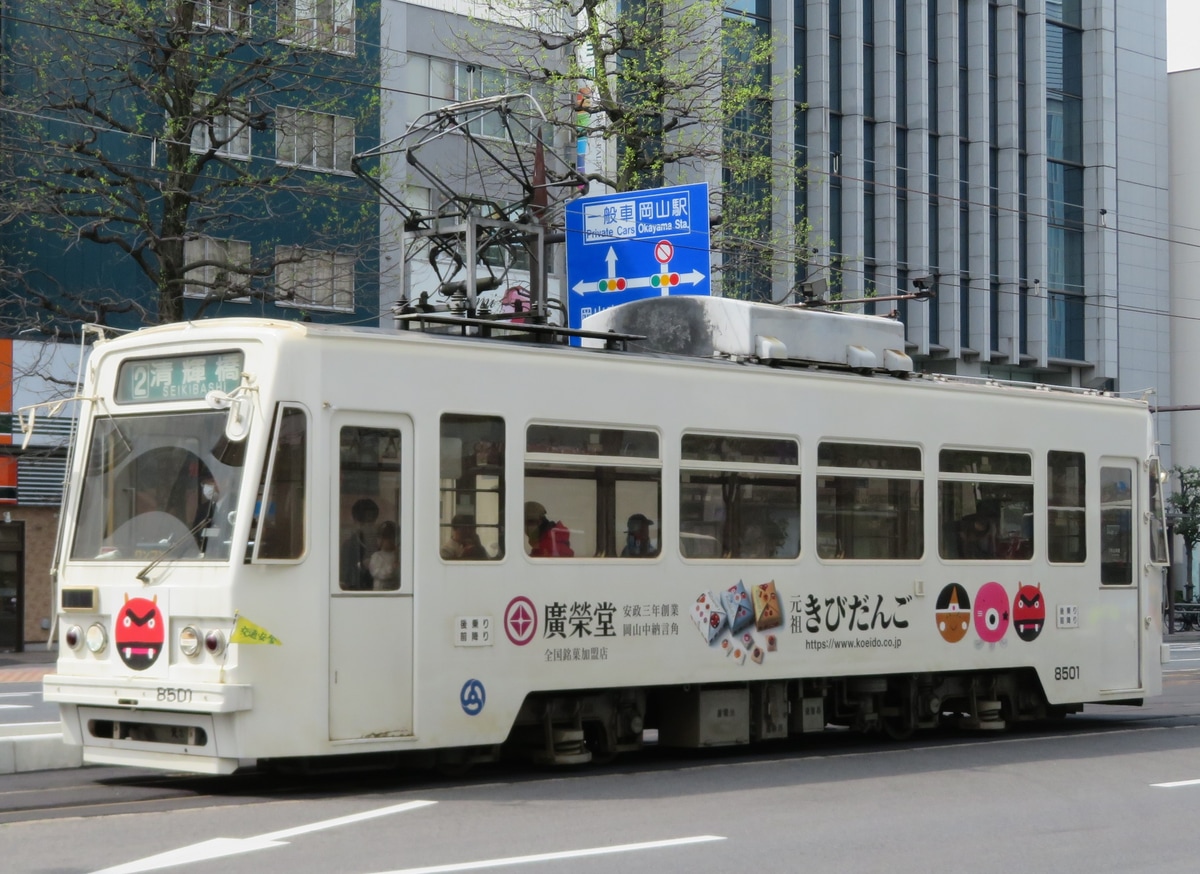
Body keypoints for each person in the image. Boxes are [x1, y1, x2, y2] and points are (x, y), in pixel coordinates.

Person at [339, 497, 379, 589]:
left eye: (371, 521)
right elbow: (345, 577)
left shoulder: (381, 543)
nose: (368, 526)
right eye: (364, 521)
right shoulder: (349, 546)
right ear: (356, 521)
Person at [192, 472, 229, 557]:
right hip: (206, 556)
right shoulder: (203, 508)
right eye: (204, 484)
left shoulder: (235, 504)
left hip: (226, 556)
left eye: (211, 482)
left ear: (225, 482)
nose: (207, 487)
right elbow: (196, 534)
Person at [369, 520, 399, 589]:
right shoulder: (376, 556)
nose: (390, 542)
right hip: (381, 590)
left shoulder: (397, 555)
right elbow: (376, 572)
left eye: (392, 539)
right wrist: (391, 569)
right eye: (387, 539)